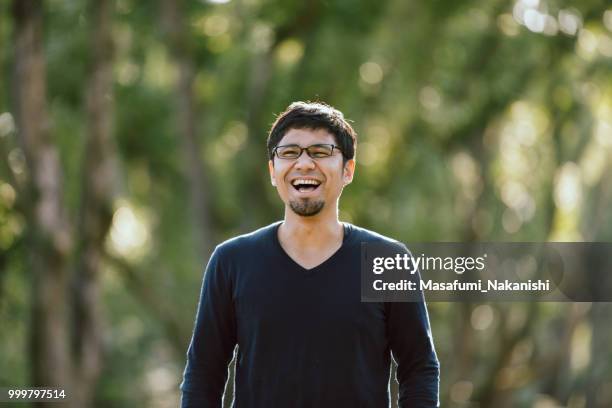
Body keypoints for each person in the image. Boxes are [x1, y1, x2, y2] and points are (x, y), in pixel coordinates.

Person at [180, 101, 440, 407]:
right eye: (289, 153)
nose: (304, 164)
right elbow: (203, 374)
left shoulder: (387, 263)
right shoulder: (232, 261)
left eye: (320, 152)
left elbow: (419, 368)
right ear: (273, 171)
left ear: (348, 170)